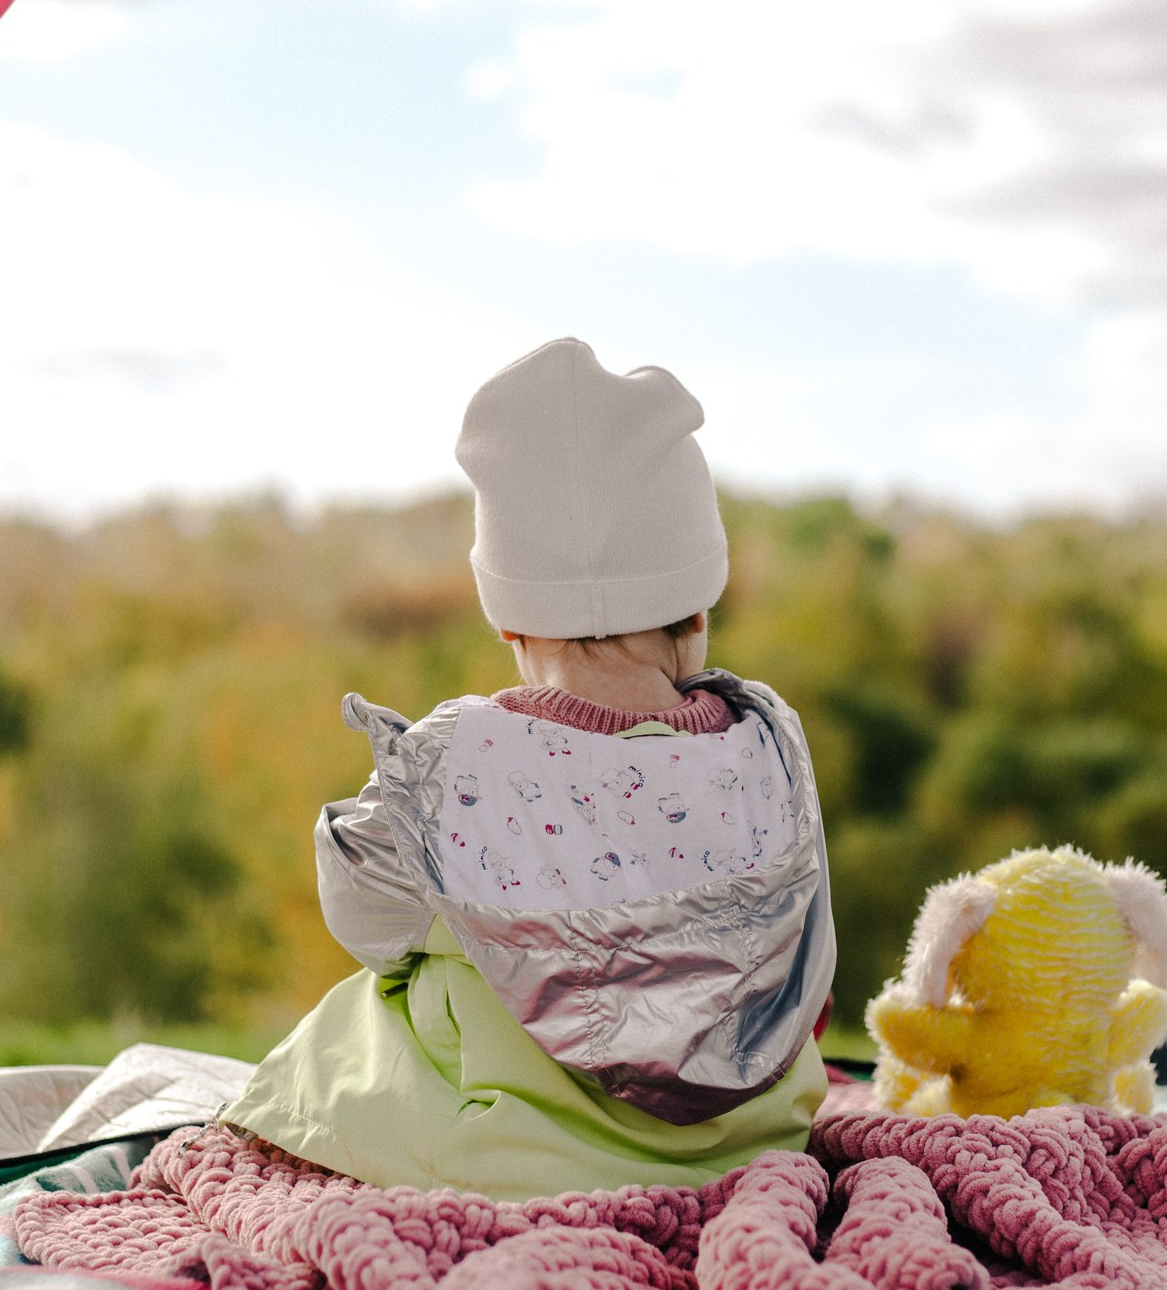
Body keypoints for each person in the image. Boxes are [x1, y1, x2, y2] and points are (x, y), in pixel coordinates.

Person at [222, 338, 835, 1200]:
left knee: (390, 988)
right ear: (697, 612)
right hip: (757, 1141)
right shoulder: (765, 745)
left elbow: (365, 917)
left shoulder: (457, 760)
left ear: (507, 626)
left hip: (519, 1156)